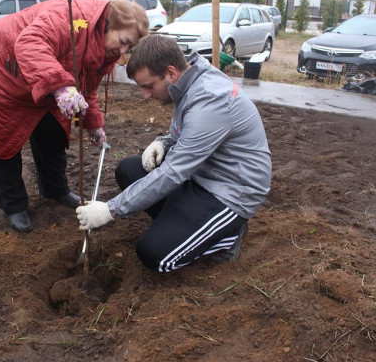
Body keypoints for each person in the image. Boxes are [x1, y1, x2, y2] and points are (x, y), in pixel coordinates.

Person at [76, 35, 272, 272]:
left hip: (231, 192)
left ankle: (225, 237)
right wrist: (165, 142)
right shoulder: (190, 79)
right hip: (202, 176)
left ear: (170, 72)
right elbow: (192, 136)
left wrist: (111, 209)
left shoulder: (210, 100)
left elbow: (174, 172)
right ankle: (185, 227)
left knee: (155, 255)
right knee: (129, 170)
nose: (146, 95)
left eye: (149, 86)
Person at [0, 0, 148, 232]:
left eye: (129, 47)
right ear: (107, 25)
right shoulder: (71, 19)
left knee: (54, 127)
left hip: (40, 78)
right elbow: (29, 43)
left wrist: (94, 124)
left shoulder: (103, 49)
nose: (123, 51)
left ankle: (55, 189)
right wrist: (61, 87)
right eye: (123, 41)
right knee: (3, 137)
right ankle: (13, 205)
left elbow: (88, 86)